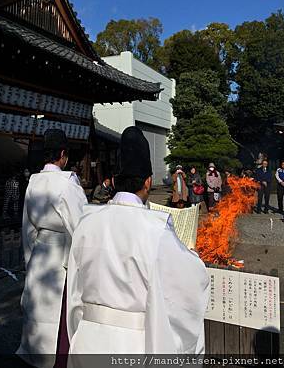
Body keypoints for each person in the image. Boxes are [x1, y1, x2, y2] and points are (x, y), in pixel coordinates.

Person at [67, 126, 209, 355]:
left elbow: (74, 290)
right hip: (134, 342)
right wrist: (191, 254)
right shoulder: (155, 228)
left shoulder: (86, 222)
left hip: (87, 338)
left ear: (113, 181)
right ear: (148, 182)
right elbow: (189, 285)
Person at [17, 129, 87, 368]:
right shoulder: (68, 184)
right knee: (58, 321)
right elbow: (81, 227)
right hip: (62, 257)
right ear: (63, 155)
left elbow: (27, 230)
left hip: (39, 254)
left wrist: (30, 261)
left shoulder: (33, 182)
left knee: (37, 313)